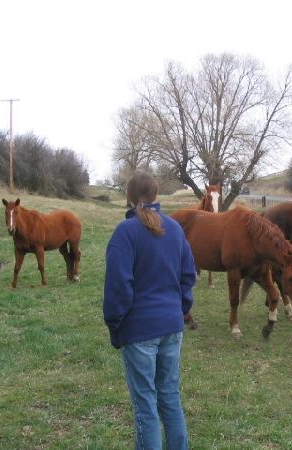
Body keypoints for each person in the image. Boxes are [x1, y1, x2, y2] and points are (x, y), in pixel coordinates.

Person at [103, 170, 196, 450]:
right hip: (171, 326)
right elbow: (188, 276)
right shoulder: (175, 229)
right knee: (169, 396)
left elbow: (118, 288)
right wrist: (178, 310)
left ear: (129, 197)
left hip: (139, 330)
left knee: (146, 403)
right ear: (156, 195)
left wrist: (115, 326)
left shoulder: (125, 232)